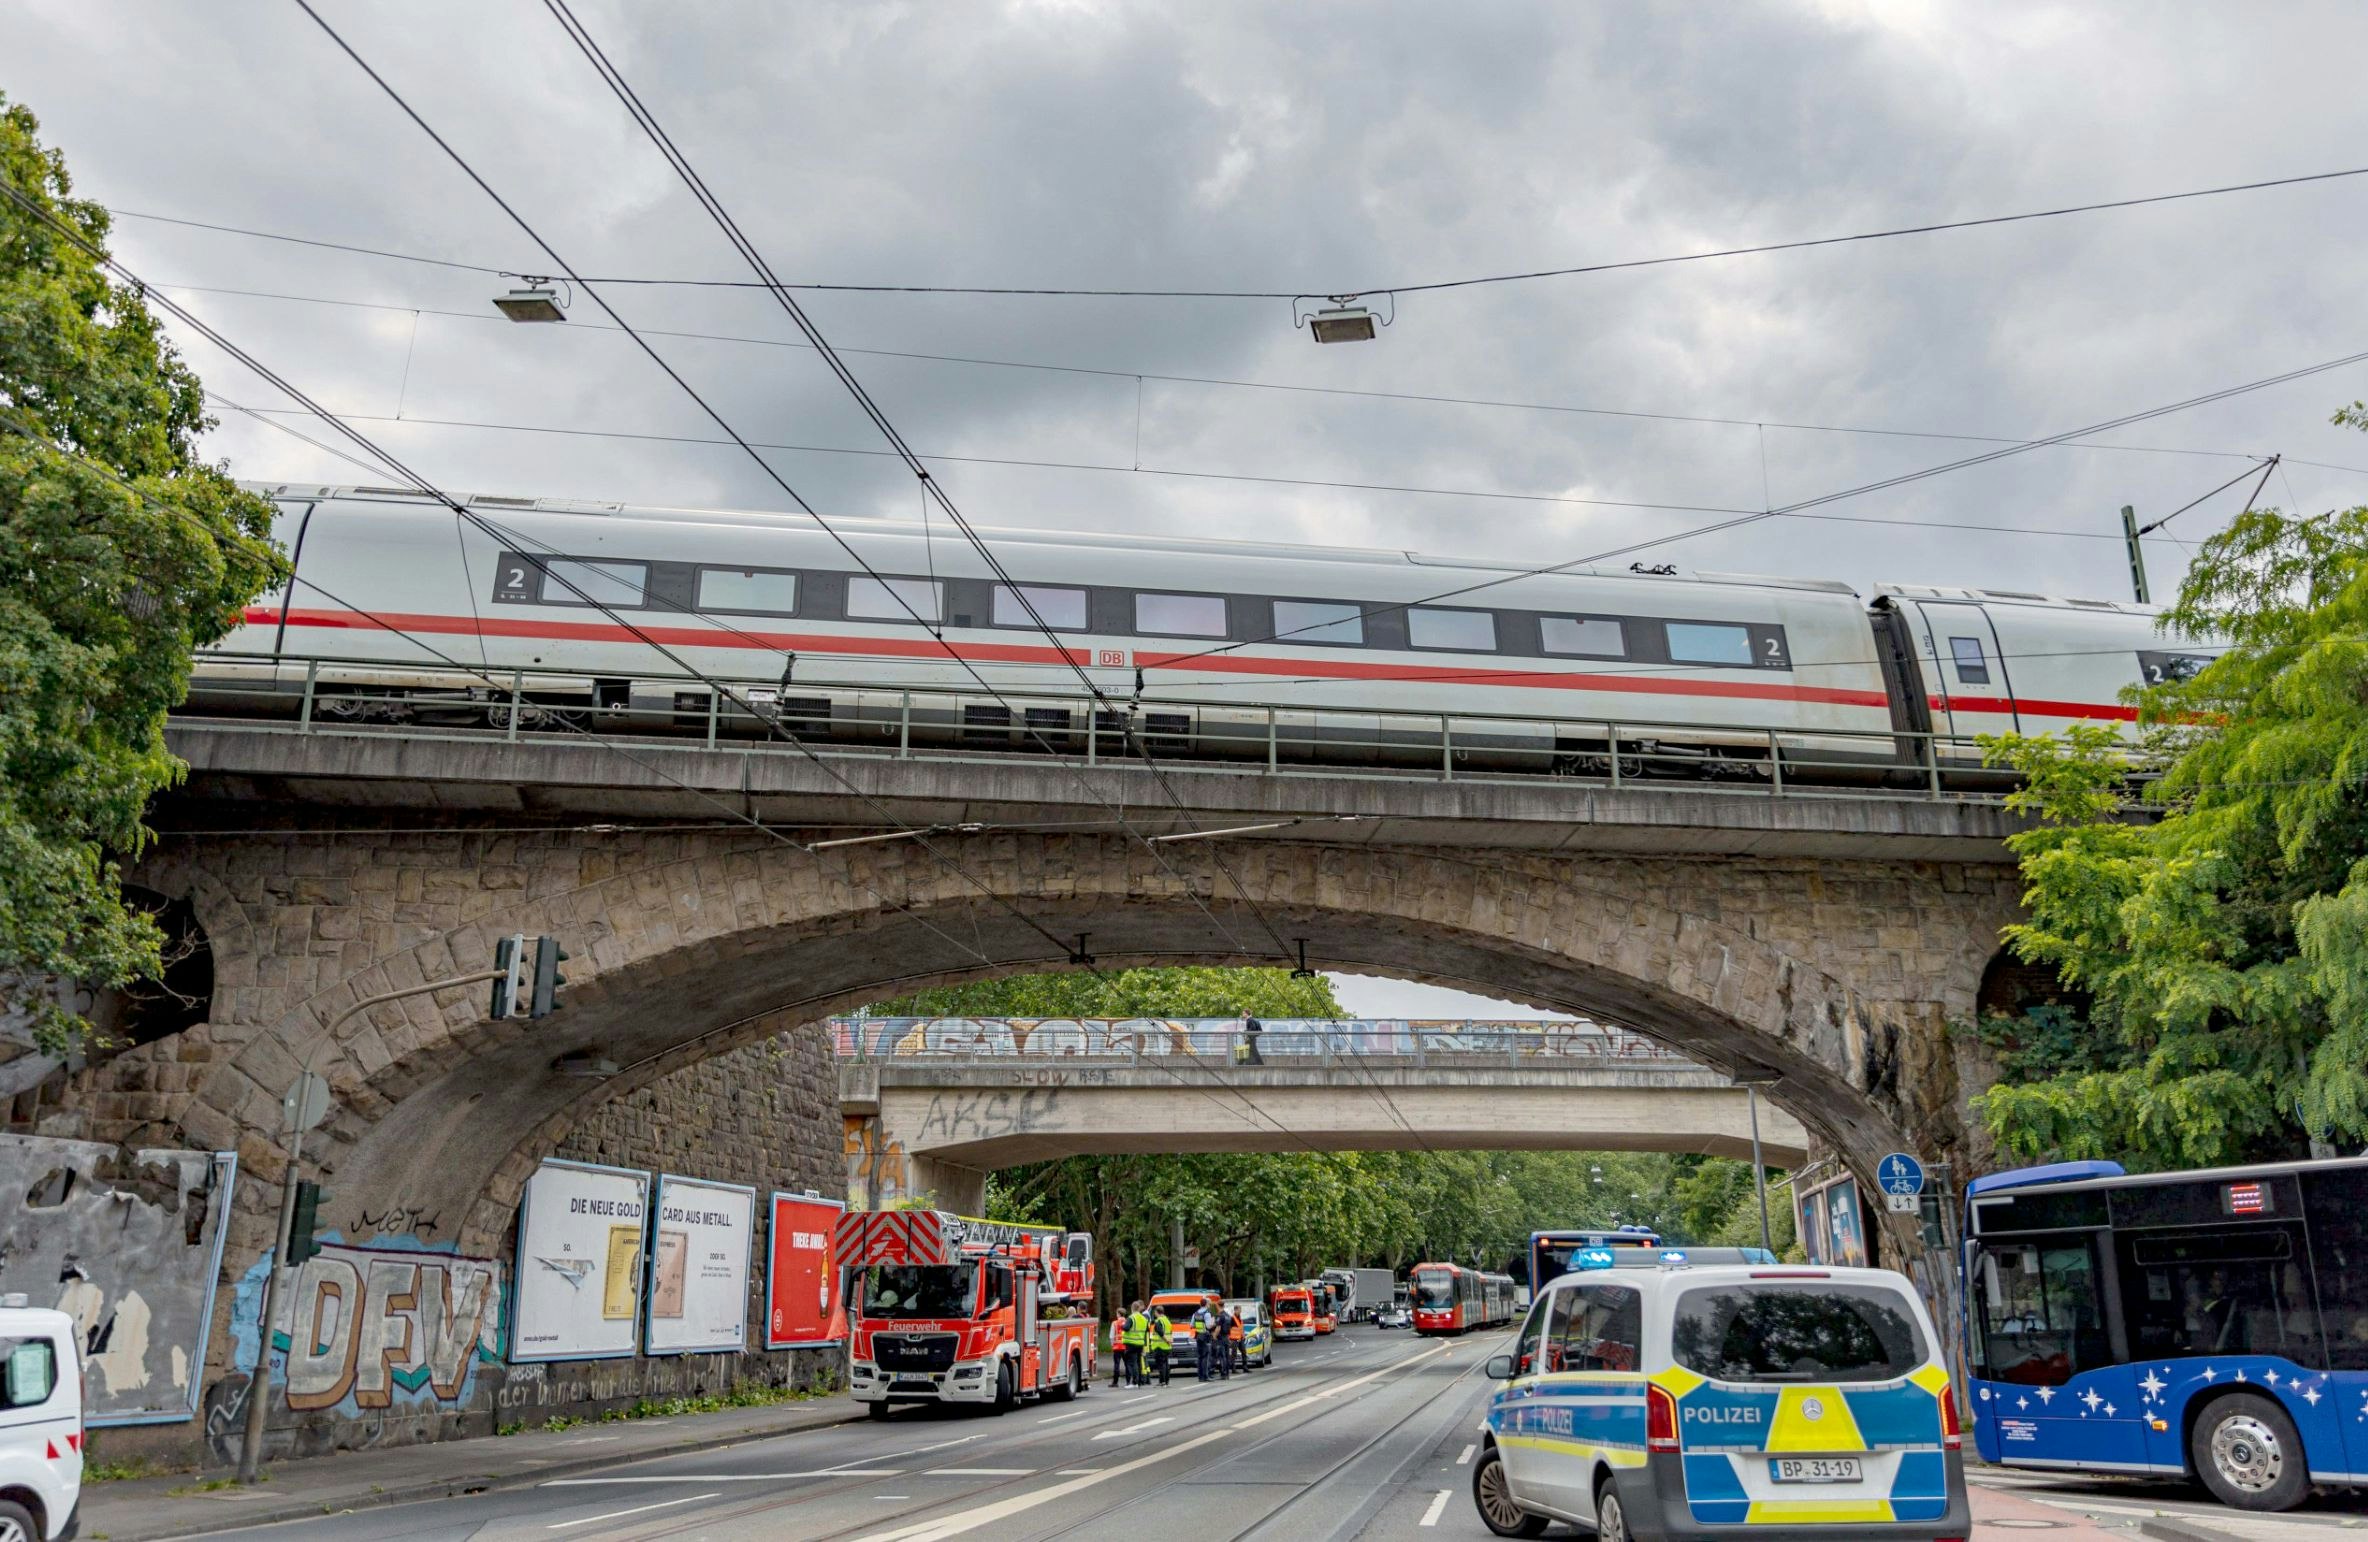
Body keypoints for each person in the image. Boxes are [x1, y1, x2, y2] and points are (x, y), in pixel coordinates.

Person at [1122, 1299, 1149, 1387]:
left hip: (1131, 1343)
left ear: (1132, 1308)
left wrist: (1122, 1325)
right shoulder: (1144, 1318)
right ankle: (1139, 1381)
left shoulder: (1131, 1317)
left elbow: (1126, 1328)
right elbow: (1146, 1330)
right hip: (1140, 1343)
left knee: (1132, 1363)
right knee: (1138, 1362)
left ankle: (1134, 1382)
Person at [1193, 1300, 1219, 1381]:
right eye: (1208, 1304)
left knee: (1200, 1357)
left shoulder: (1195, 1313)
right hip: (1205, 1336)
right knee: (1205, 1357)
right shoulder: (1207, 1314)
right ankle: (1205, 1376)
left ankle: (1200, 1377)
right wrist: (1213, 1322)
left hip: (1198, 1336)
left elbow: (1192, 1325)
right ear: (1206, 1304)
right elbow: (1208, 1326)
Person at [1147, 1307, 1173, 1386]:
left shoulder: (1158, 1321)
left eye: (1155, 1312)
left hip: (1159, 1346)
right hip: (1167, 1346)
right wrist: (1170, 1341)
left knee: (1161, 1365)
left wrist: (1166, 1340)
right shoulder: (1167, 1320)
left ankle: (1162, 1381)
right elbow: (1170, 1332)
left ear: (1156, 1312)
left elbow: (1160, 1332)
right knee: (1166, 1364)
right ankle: (1166, 1381)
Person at [1214, 1303, 1236, 1378]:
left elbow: (1218, 1328)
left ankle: (1223, 1373)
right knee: (1227, 1356)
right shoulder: (1228, 1316)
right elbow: (1231, 1326)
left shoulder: (1220, 1316)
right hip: (1227, 1337)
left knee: (1222, 1356)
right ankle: (1227, 1373)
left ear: (1218, 1306)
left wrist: (1214, 1336)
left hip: (1221, 1338)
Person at [1108, 1311, 1126, 1388]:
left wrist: (1112, 1345)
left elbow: (1111, 1336)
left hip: (1117, 1347)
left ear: (1118, 1314)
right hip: (1125, 1346)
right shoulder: (1128, 1322)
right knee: (1128, 1364)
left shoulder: (1115, 1323)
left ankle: (1115, 1382)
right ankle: (1129, 1381)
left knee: (1116, 1365)